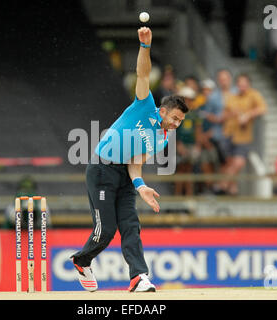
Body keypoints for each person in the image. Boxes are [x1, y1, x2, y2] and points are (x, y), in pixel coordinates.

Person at [71, 27, 188, 293]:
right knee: (106, 229)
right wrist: (145, 46)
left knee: (131, 226)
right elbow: (143, 74)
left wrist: (140, 185)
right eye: (175, 118)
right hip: (101, 170)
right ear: (163, 110)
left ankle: (139, 277)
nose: (176, 125)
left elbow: (135, 161)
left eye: (180, 122)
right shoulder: (144, 105)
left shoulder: (163, 139)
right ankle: (82, 259)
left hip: (124, 177)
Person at [217, 74, 267, 195]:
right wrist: (232, 114)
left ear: (248, 84)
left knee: (239, 162)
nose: (242, 87)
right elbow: (223, 116)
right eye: (240, 84)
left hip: (243, 136)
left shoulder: (253, 95)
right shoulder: (232, 97)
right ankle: (231, 190)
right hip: (229, 133)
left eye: (244, 84)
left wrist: (248, 115)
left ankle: (222, 185)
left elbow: (263, 108)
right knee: (229, 164)